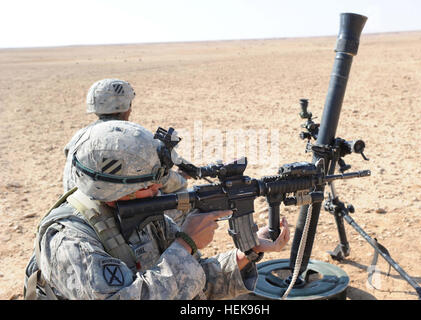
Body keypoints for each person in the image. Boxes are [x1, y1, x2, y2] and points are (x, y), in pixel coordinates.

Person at [24, 120, 290, 300]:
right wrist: (185, 243)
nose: (158, 192)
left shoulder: (143, 213)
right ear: (113, 190)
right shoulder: (68, 239)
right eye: (147, 185)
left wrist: (247, 253)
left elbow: (191, 277)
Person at [62, 78, 187, 195]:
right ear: (127, 106)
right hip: (108, 213)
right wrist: (183, 177)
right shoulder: (131, 139)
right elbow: (165, 181)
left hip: (76, 204)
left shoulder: (79, 136)